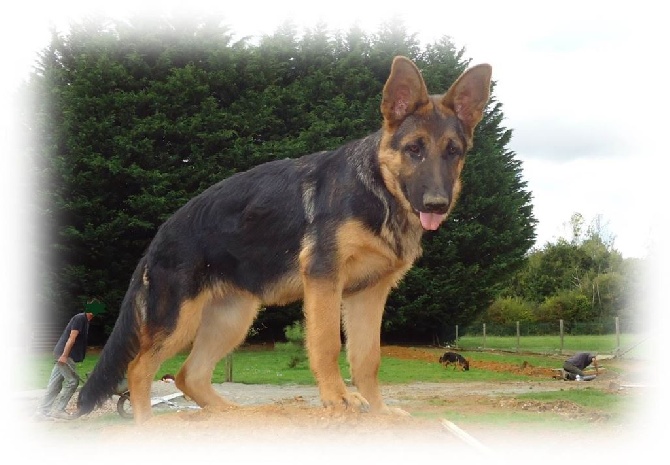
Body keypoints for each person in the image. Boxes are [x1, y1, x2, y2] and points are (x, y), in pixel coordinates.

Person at [34, 312, 94, 420]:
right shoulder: (80, 318)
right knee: (73, 381)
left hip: (64, 355)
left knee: (55, 384)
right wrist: (64, 356)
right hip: (65, 356)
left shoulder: (86, 321)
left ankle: (41, 412)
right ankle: (59, 410)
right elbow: (71, 338)